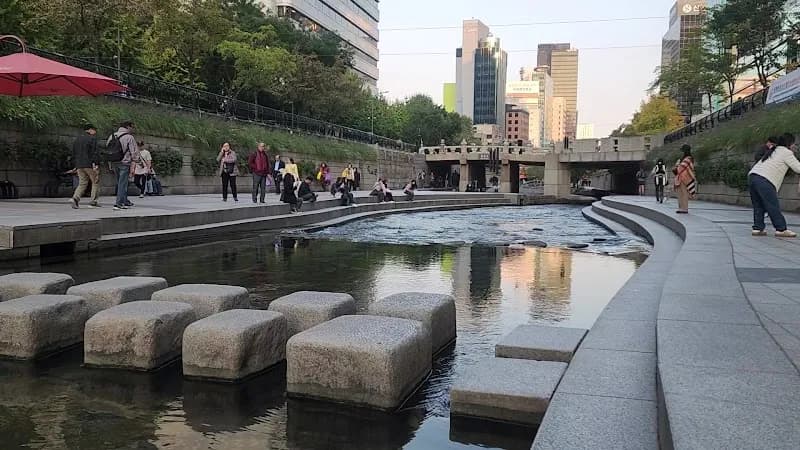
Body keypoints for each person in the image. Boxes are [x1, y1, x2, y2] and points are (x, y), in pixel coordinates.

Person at [748, 133, 800, 237]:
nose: (795, 146)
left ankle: (758, 228)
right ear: (789, 143)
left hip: (753, 177)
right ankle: (781, 229)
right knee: (772, 205)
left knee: (758, 205)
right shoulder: (786, 152)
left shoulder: (775, 150)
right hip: (764, 180)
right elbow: (798, 168)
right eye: (794, 143)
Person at [108, 121, 140, 211]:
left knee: (120, 182)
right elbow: (134, 152)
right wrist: (135, 163)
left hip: (114, 162)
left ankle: (125, 200)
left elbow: (108, 150)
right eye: (132, 127)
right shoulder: (129, 137)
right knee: (123, 183)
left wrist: (110, 164)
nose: (132, 129)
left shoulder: (112, 136)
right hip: (125, 163)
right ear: (128, 127)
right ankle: (119, 203)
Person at [70, 124, 101, 209]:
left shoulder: (77, 139)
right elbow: (95, 153)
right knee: (95, 181)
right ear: (90, 130)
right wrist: (96, 164)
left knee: (82, 182)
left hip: (79, 164)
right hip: (89, 164)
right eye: (94, 130)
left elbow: (73, 153)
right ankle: (93, 201)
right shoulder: (92, 139)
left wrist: (75, 165)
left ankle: (76, 198)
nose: (95, 132)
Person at [673, 144, 696, 214]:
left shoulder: (688, 159)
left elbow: (681, 167)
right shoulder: (685, 159)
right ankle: (681, 207)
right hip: (680, 177)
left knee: (684, 192)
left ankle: (685, 208)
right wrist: (677, 166)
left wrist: (677, 167)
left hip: (685, 178)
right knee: (679, 192)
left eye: (683, 151)